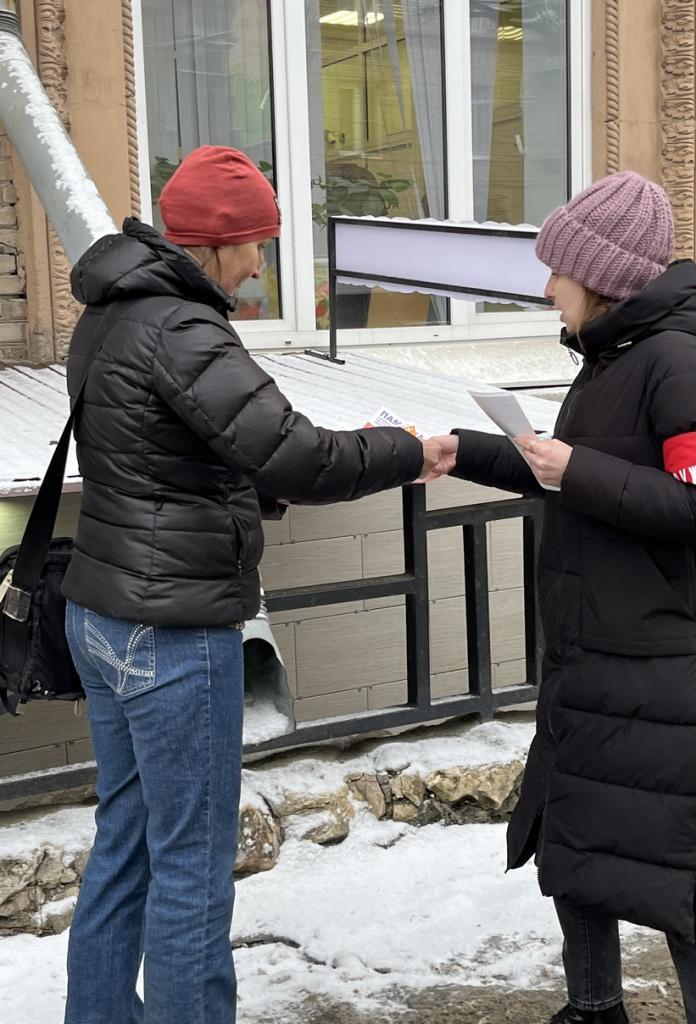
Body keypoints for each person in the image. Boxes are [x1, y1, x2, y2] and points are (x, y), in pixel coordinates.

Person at [61, 145, 440, 1024]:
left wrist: (253, 481)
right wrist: (406, 450)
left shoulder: (111, 315)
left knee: (126, 844)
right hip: (173, 630)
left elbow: (163, 451)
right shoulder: (184, 327)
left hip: (106, 612)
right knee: (192, 862)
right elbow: (295, 454)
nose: (263, 260)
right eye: (258, 241)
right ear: (215, 243)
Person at [426, 171, 696, 1024]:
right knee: (579, 850)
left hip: (664, 678)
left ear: (601, 276)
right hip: (596, 664)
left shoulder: (677, 361)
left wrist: (581, 470)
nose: (546, 288)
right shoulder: (612, 355)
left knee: (685, 880)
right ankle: (593, 1008)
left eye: (557, 273)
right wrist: (458, 449)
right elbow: (566, 471)